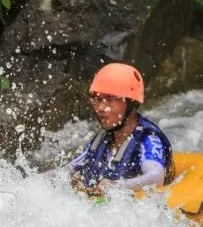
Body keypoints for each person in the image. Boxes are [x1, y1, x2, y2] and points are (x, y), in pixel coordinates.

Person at [69, 63, 175, 197]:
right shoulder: (103, 138)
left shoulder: (148, 138)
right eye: (97, 98)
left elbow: (156, 177)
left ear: (131, 102)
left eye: (110, 99)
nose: (101, 108)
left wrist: (116, 186)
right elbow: (69, 169)